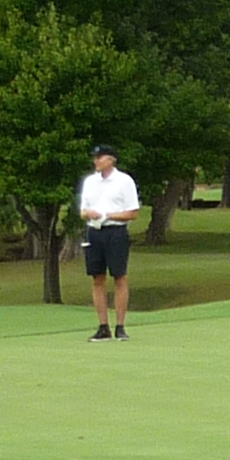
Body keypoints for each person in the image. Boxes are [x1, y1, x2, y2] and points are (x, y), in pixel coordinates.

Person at [77, 145, 141, 339]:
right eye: (95, 158)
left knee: (119, 277)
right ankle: (103, 326)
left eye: (100, 157)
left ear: (111, 159)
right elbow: (82, 211)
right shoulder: (90, 182)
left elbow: (132, 213)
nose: (96, 161)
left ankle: (120, 326)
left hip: (116, 232)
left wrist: (107, 215)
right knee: (97, 278)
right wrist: (89, 213)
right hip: (94, 231)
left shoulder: (124, 181)